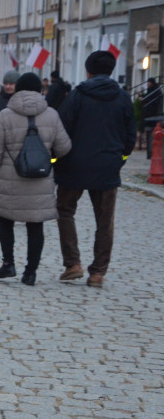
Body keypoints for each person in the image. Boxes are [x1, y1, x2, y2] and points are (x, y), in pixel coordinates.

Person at [54, 51, 136, 287]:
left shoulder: (78, 95)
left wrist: (57, 160)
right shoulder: (122, 97)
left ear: (88, 71)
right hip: (108, 166)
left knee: (65, 210)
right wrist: (120, 159)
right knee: (105, 220)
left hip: (74, 165)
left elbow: (62, 129)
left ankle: (72, 263)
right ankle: (98, 272)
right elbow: (131, 135)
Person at [0, 73, 71, 286]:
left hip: (10, 175)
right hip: (40, 178)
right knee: (35, 225)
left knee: (5, 219)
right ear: (40, 91)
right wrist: (48, 159)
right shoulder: (51, 115)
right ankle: (30, 272)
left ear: (17, 89)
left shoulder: (5, 115)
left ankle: (8, 263)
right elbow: (64, 147)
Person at [140, 78, 162, 158]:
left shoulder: (155, 92)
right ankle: (149, 151)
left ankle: (150, 152)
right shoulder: (151, 91)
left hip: (152, 114)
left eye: (149, 82)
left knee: (151, 132)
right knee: (149, 132)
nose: (148, 84)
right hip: (148, 114)